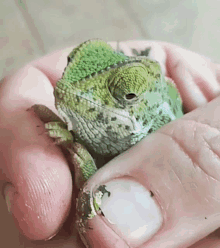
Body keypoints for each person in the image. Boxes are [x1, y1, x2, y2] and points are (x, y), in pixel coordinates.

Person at [0, 40, 220, 248]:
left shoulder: (156, 123)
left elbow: (99, 192)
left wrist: (81, 160)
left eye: (127, 91)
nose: (63, 85)